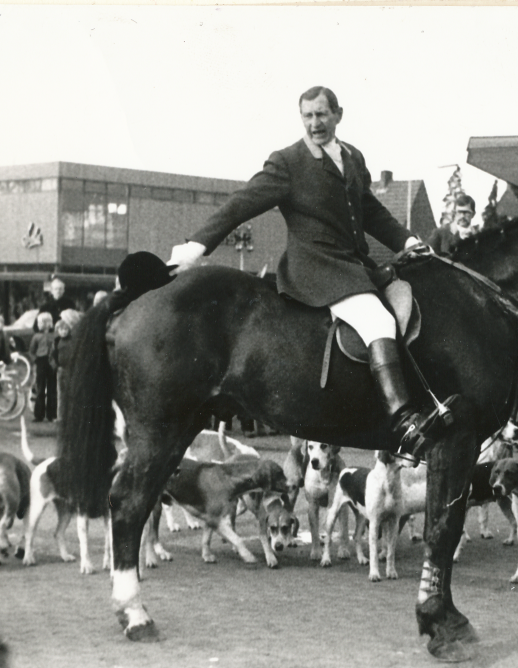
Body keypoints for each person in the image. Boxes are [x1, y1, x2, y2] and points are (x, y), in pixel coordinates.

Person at [167, 86, 453, 455]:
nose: (314, 123)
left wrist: (407, 241)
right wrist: (196, 247)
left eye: (321, 115)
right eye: (307, 116)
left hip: (353, 266)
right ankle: (402, 419)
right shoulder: (288, 162)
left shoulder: (353, 157)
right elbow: (243, 204)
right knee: (378, 322)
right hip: (315, 269)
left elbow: (371, 212)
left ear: (338, 115)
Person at [52, 309, 81, 417]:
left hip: (73, 369)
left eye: (66, 329)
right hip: (61, 369)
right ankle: (61, 416)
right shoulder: (57, 341)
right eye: (61, 329)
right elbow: (53, 355)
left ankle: (72, 415)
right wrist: (55, 365)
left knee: (72, 393)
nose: (64, 331)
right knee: (61, 394)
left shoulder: (74, 339)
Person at [29, 312, 56, 422]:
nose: (44, 325)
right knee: (40, 388)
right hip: (41, 361)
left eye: (46, 322)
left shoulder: (54, 335)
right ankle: (39, 415)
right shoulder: (36, 337)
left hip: (52, 362)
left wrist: (55, 361)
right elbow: (31, 351)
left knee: (52, 389)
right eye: (41, 322)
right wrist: (35, 360)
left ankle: (51, 414)